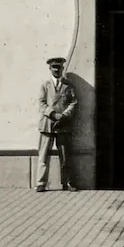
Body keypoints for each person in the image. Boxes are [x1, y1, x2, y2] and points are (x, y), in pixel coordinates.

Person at [36, 56, 78, 192]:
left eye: (59, 68)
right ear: (50, 69)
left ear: (62, 68)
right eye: (54, 68)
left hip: (63, 125)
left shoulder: (69, 85)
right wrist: (54, 114)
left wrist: (64, 116)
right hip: (47, 124)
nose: (56, 70)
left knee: (65, 156)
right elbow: (41, 104)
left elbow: (74, 102)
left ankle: (67, 182)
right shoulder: (45, 85)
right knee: (43, 156)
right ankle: (41, 183)